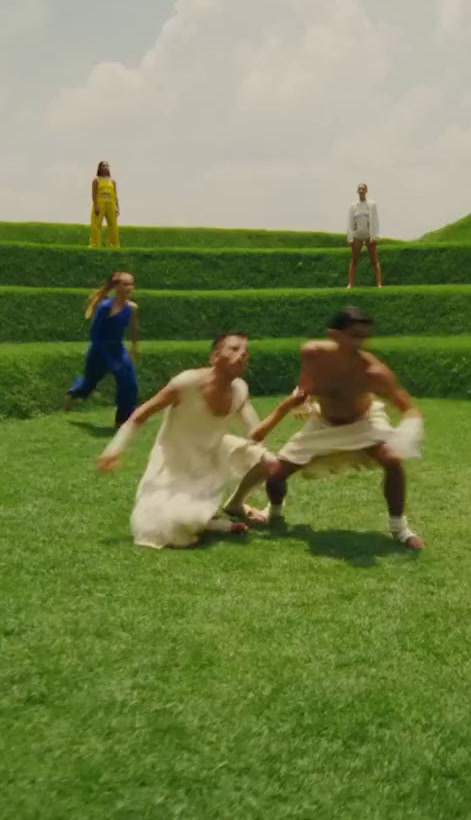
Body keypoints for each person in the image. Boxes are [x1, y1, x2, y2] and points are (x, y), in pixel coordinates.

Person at [232, 307, 427, 549]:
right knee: (275, 473)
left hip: (364, 422)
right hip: (323, 422)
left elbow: (408, 406)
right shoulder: (312, 354)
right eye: (354, 335)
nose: (360, 342)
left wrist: (406, 435)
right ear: (334, 335)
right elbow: (306, 385)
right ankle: (274, 512)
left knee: (392, 460)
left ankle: (400, 529)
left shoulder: (373, 372)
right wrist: (303, 401)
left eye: (363, 336)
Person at [96, 331, 309, 549]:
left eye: (246, 352)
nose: (243, 355)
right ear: (215, 357)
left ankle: (234, 506)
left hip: (214, 455)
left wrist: (286, 406)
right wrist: (114, 449)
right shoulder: (186, 382)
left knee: (270, 461)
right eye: (235, 349)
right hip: (174, 461)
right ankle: (215, 524)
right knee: (172, 528)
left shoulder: (240, 390)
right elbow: (139, 416)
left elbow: (256, 434)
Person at [64, 271, 139, 427]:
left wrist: (133, 348)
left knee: (129, 384)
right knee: (88, 385)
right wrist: (108, 359)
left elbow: (133, 329)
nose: (129, 287)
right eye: (125, 284)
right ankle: (72, 394)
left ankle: (122, 420)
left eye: (131, 284)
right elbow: (95, 335)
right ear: (116, 286)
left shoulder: (132, 307)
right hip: (99, 351)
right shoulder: (105, 307)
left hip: (118, 349)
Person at [346, 183, 383, 289]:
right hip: (357, 235)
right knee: (354, 260)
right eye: (359, 189)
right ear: (357, 191)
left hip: (368, 235)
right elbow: (350, 222)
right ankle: (351, 283)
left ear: (366, 191)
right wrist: (350, 237)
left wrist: (375, 236)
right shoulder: (353, 206)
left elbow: (375, 221)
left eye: (363, 189)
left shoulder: (372, 204)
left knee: (374, 260)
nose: (361, 190)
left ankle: (379, 284)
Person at [90, 160, 121, 249]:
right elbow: (94, 194)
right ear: (99, 168)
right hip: (100, 203)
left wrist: (117, 207)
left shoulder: (113, 182)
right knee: (96, 225)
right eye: (103, 166)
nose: (106, 167)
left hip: (111, 204)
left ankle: (114, 245)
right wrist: (96, 205)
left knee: (113, 225)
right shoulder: (96, 180)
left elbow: (115, 195)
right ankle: (95, 244)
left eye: (107, 166)